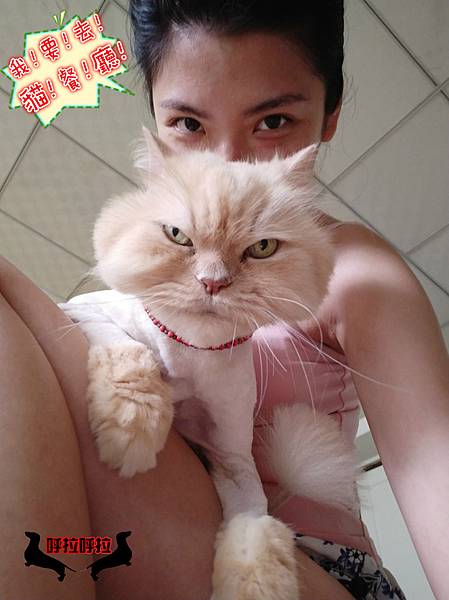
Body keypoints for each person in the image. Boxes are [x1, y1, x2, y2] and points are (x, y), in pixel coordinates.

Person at [0, 1, 448, 599]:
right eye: (189, 124)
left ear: (329, 116)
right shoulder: (146, 248)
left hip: (306, 568)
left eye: (273, 121)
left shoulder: (357, 268)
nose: (228, 163)